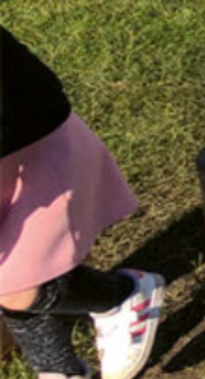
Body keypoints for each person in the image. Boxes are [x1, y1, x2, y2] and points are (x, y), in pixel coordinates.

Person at [1, 27, 164, 379]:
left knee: (17, 284)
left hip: (34, 153)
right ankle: (59, 370)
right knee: (16, 273)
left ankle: (122, 296)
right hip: (13, 156)